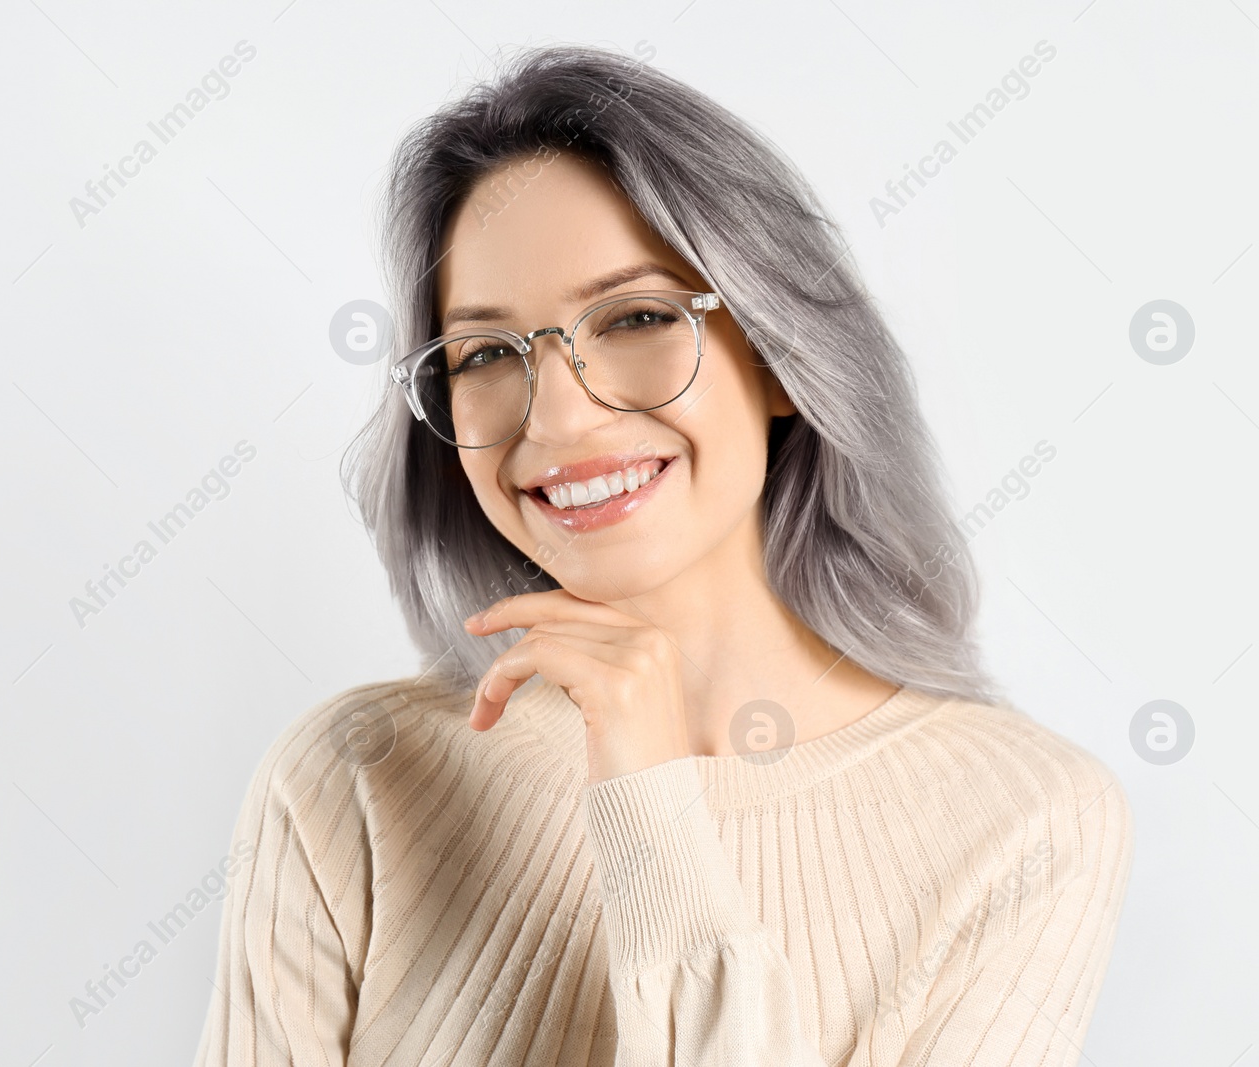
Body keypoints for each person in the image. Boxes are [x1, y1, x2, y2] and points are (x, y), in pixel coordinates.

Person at [193, 43, 1132, 1067]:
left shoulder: (1024, 821)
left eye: (635, 317)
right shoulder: (353, 777)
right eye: (485, 354)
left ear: (779, 355)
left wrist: (647, 798)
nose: (555, 415)